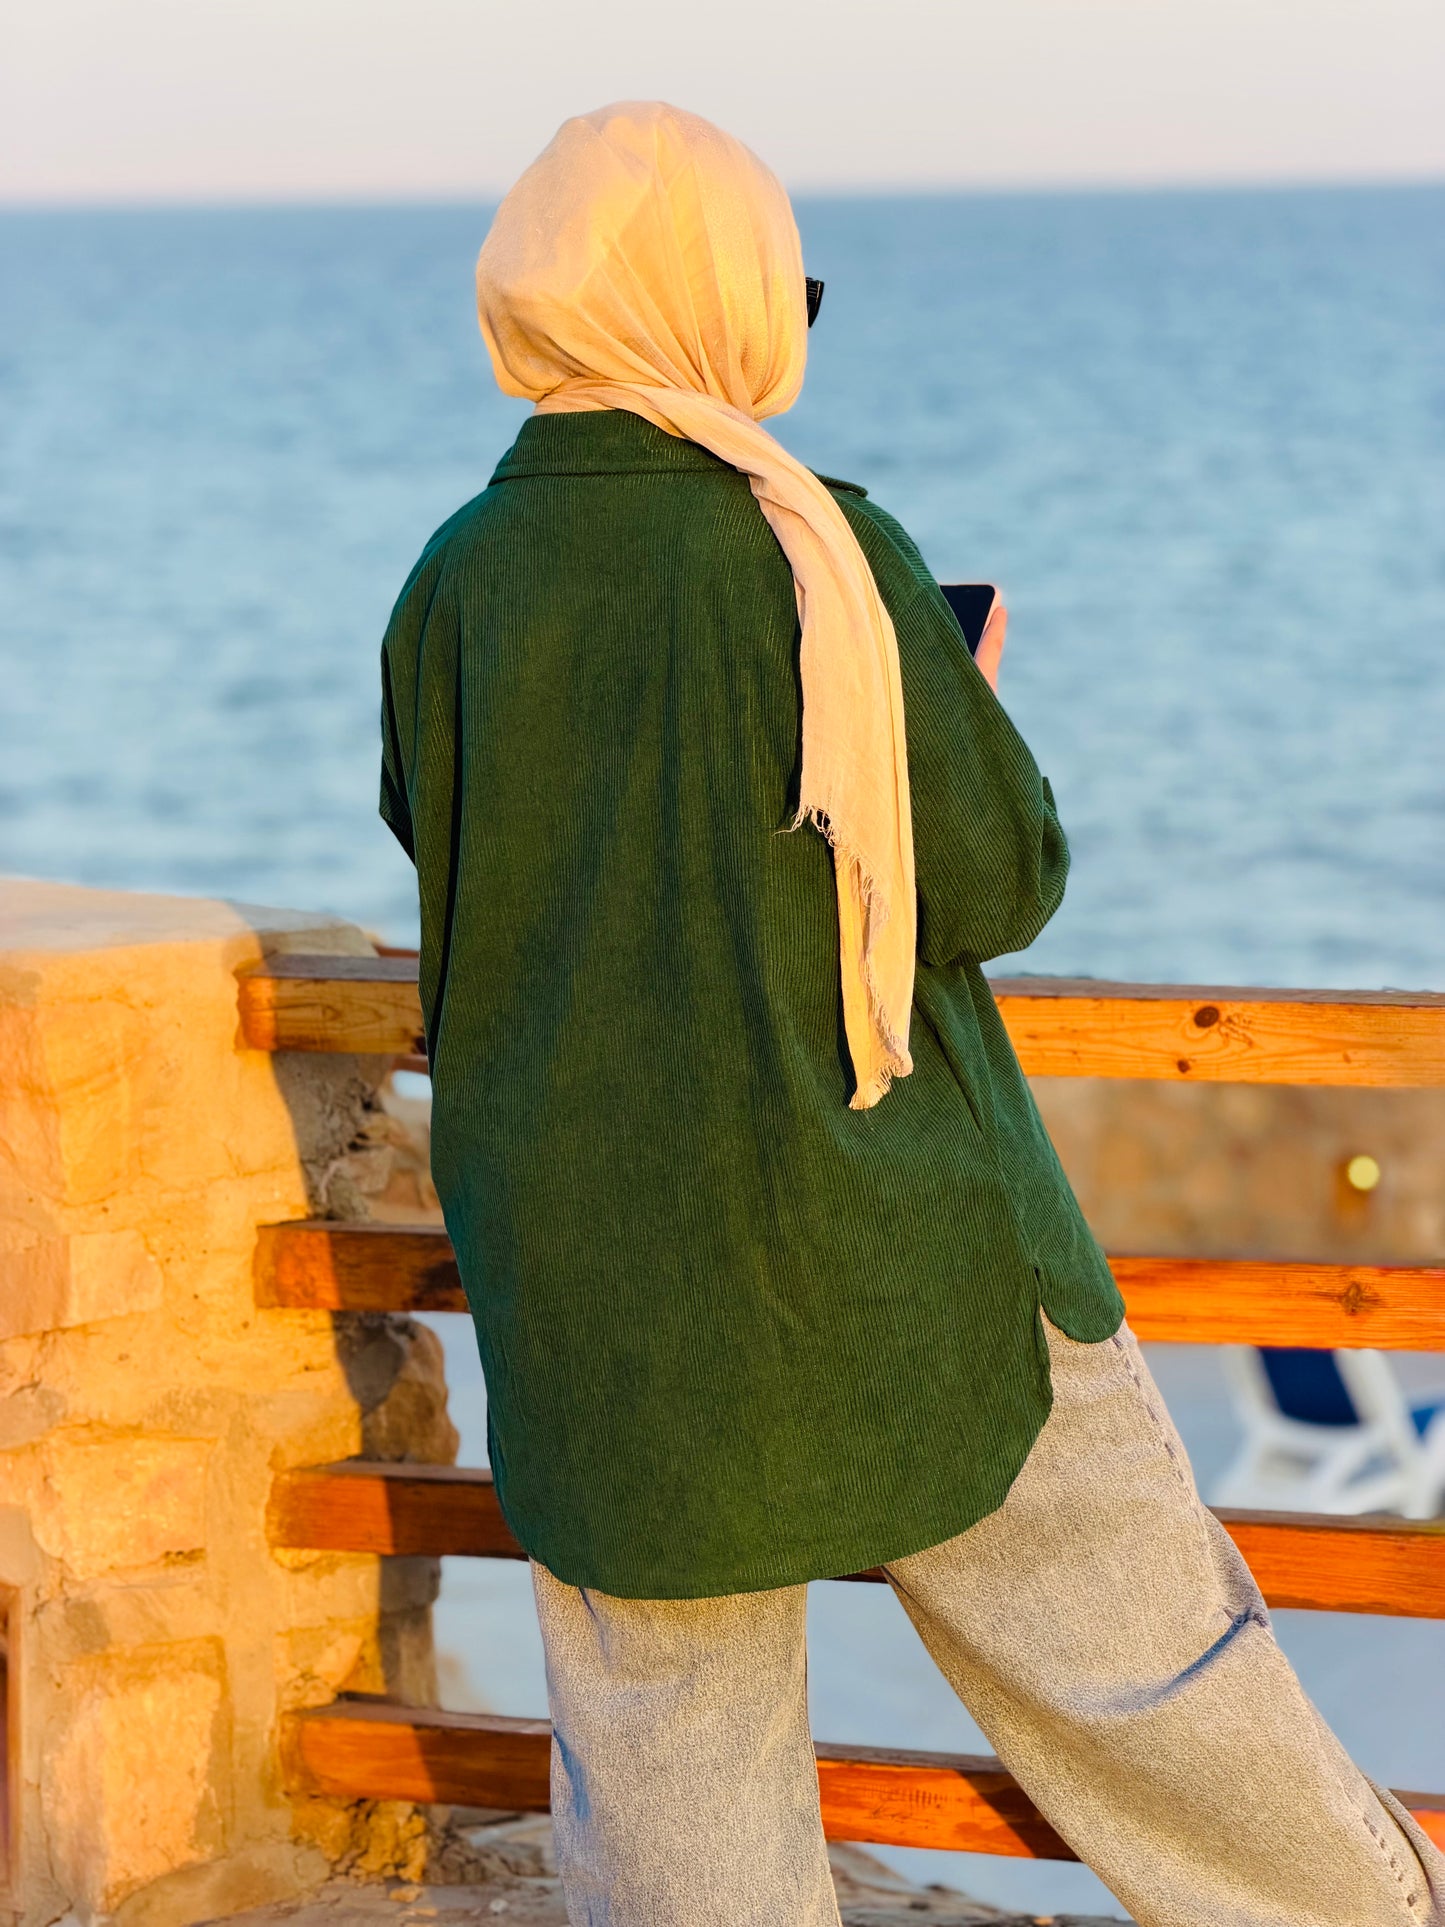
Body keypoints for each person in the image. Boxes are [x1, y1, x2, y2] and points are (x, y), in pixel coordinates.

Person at [378, 101, 1444, 1927]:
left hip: (598, 1260)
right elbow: (996, 883)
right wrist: (950, 703)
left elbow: (471, 851)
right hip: (891, 1241)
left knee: (667, 1750)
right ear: (714, 302)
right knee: (1144, 1669)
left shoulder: (455, 581)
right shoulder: (818, 551)